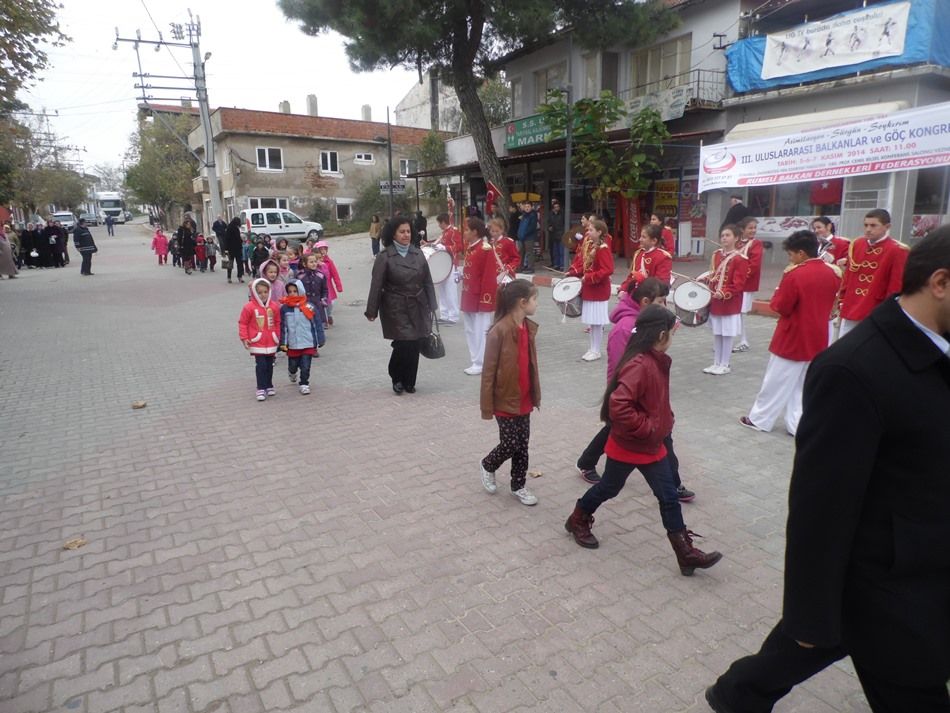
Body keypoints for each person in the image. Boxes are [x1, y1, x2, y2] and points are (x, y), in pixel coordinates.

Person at [706, 227, 950, 713]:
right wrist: (808, 614)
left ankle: (738, 695)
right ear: (940, 283)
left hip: (928, 558)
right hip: (890, 581)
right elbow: (820, 505)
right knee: (837, 646)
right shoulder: (855, 369)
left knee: (798, 651)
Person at [564, 305, 724, 573]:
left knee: (668, 496)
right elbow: (619, 405)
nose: (673, 338)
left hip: (652, 446)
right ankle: (577, 518)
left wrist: (665, 419)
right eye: (672, 333)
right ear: (661, 335)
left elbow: (654, 399)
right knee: (608, 488)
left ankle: (685, 553)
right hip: (630, 445)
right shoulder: (640, 364)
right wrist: (648, 427)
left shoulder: (655, 359)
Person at [739, 230, 841, 437]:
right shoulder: (833, 272)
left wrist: (777, 293)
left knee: (775, 381)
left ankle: (760, 419)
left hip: (793, 335)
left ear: (801, 253)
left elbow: (781, 306)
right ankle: (796, 424)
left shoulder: (795, 273)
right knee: (803, 385)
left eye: (791, 254)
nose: (790, 258)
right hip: (819, 334)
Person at [479, 279, 542, 507]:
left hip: (524, 398)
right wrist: (487, 405)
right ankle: (488, 464)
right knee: (509, 443)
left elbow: (530, 364)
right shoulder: (499, 331)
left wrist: (535, 394)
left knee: (522, 444)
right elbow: (488, 372)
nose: (537, 303)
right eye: (535, 299)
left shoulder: (528, 326)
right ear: (522, 302)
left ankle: (519, 485)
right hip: (504, 400)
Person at [365, 216, 438, 394]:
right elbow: (376, 285)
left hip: (418, 304)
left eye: (408, 231)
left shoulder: (418, 253)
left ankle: (409, 381)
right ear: (393, 234)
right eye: (402, 231)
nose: (406, 235)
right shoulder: (385, 257)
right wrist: (371, 310)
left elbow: (427, 280)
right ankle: (397, 377)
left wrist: (433, 304)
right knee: (404, 343)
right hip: (395, 306)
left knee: (415, 342)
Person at [837, 208, 909, 339]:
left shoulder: (897, 250)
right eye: (866, 225)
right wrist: (842, 298)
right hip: (851, 305)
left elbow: (896, 286)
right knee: (845, 344)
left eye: (873, 225)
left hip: (875, 307)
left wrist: (888, 311)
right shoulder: (857, 244)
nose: (868, 229)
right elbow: (849, 276)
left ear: (887, 227)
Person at [701, 225, 749, 375]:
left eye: (728, 235)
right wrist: (704, 281)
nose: (724, 238)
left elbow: (739, 284)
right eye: (722, 235)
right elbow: (714, 275)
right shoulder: (716, 255)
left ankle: (725, 364)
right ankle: (716, 362)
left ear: (736, 238)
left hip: (729, 302)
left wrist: (724, 293)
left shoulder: (740, 259)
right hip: (716, 300)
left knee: (727, 334)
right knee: (717, 333)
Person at [566, 219, 615, 362]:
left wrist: (589, 278)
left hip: (598, 289)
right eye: (588, 230)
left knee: (597, 322)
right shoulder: (589, 245)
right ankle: (592, 348)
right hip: (589, 288)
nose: (588, 232)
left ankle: (596, 350)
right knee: (591, 322)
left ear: (599, 232)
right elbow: (586, 265)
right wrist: (574, 272)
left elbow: (608, 270)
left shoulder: (603, 248)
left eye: (591, 230)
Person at [460, 217, 499, 375]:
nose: (465, 232)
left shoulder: (485, 249)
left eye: (467, 230)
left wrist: (486, 301)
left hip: (480, 298)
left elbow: (489, 277)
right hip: (469, 296)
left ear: (475, 232)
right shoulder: (471, 248)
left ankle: (481, 362)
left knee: (481, 330)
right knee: (470, 330)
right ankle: (475, 359)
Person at [238, 278, 282, 402]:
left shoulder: (274, 306)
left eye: (265, 292)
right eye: (260, 292)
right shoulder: (249, 307)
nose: (263, 295)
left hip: (271, 341)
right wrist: (244, 338)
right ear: (254, 293)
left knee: (270, 365)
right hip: (257, 341)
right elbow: (243, 323)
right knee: (261, 365)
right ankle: (261, 387)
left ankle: (269, 384)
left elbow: (278, 322)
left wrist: (277, 336)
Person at [279, 279, 320, 395]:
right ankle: (292, 372)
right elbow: (283, 327)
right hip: (293, 344)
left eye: (295, 291)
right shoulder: (285, 309)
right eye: (290, 291)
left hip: (308, 342)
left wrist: (319, 339)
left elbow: (316, 323)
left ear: (300, 291)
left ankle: (304, 383)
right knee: (293, 365)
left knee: (306, 366)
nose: (292, 294)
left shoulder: (309, 307)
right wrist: (283, 342)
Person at [734, 217, 762, 352]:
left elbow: (754, 264)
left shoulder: (756, 244)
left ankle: (743, 340)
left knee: (741, 312)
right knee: (736, 311)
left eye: (754, 228)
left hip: (746, 283)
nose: (753, 230)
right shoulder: (737, 243)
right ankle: (736, 339)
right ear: (742, 229)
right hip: (735, 283)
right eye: (750, 228)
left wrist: (739, 277)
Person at [621, 224, 673, 293]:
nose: (640, 239)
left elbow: (662, 284)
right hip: (636, 296)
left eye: (643, 237)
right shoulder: (638, 253)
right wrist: (623, 289)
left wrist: (643, 281)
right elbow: (632, 276)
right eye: (640, 236)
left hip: (652, 298)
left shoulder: (663, 257)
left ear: (654, 241)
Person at [434, 213, 463, 324]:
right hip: (443, 263)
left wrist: (445, 247)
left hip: (451, 263)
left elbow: (459, 247)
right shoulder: (445, 233)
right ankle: (444, 314)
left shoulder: (453, 231)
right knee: (442, 290)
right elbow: (438, 243)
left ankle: (453, 316)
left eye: (439, 223)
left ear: (443, 222)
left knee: (450, 291)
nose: (439, 225)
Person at [297, 253, 327, 348]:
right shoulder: (300, 277)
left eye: (315, 261)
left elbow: (325, 290)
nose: (314, 264)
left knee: (319, 324)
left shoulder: (321, 276)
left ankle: (320, 340)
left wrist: (324, 299)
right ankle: (312, 347)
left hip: (318, 303)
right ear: (305, 264)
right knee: (308, 326)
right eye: (311, 262)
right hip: (306, 303)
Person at [314, 241, 342, 325]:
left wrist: (339, 286)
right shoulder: (313, 263)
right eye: (321, 249)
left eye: (324, 249)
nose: (323, 251)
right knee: (321, 304)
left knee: (330, 303)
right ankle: (324, 319)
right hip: (318, 288)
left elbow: (335, 274)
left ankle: (328, 315)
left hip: (328, 287)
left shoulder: (329, 262)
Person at [516, 201, 538, 273]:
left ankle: (530, 267)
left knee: (529, 253)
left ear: (531, 207)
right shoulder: (524, 215)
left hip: (529, 237)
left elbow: (532, 227)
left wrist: (524, 233)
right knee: (521, 252)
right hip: (522, 237)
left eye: (528, 206)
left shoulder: (533, 215)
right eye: (525, 207)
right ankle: (520, 266)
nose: (527, 208)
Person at [547, 199, 566, 271]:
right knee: (555, 251)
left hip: (561, 234)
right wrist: (549, 227)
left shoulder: (562, 214)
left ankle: (562, 265)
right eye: (555, 207)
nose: (556, 208)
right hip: (553, 234)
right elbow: (548, 222)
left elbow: (565, 223)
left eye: (558, 207)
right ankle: (556, 264)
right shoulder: (551, 214)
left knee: (561, 251)